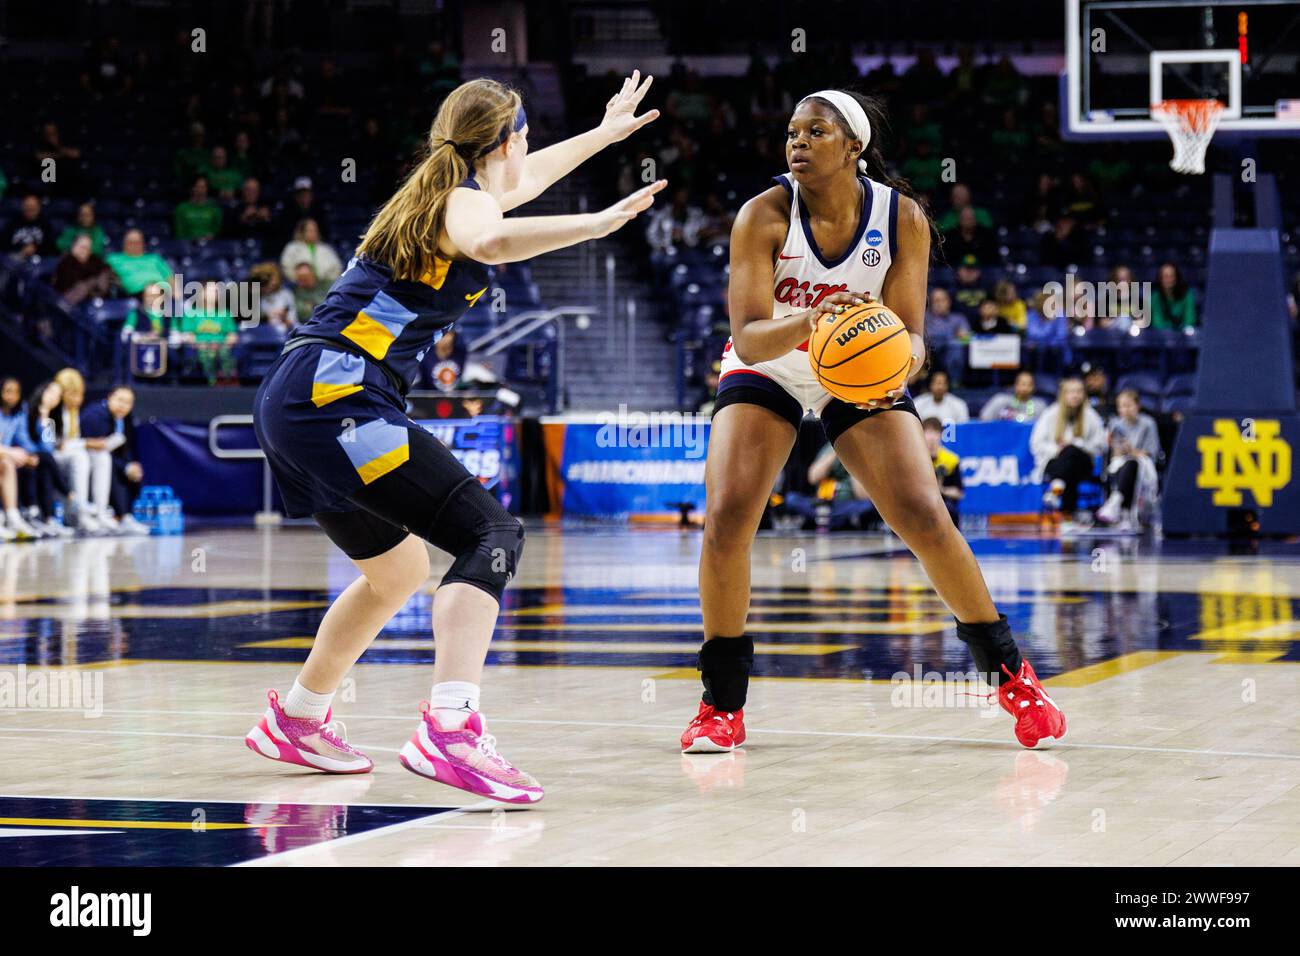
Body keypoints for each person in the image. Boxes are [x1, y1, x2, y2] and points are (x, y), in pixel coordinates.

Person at [246, 73, 665, 802]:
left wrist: (603, 135)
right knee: (491, 533)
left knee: (399, 572)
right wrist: (596, 224)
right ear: (504, 140)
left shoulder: (444, 190)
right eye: (522, 139)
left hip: (301, 395)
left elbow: (520, 185)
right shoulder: (464, 202)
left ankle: (300, 716)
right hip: (336, 396)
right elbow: (496, 237)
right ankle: (450, 729)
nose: (526, 155)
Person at [687, 88, 1066, 756]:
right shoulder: (762, 216)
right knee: (726, 520)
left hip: (858, 369)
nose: (797, 142)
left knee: (924, 515)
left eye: (816, 131)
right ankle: (721, 705)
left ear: (854, 147)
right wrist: (812, 319)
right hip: (774, 362)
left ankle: (1014, 678)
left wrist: (901, 365)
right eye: (791, 131)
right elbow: (746, 338)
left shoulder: (903, 219)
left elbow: (915, 338)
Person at [1031, 377, 1106, 533]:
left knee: (1071, 451)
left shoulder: (1091, 416)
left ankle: (1056, 489)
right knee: (1068, 465)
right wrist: (1056, 449)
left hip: (1083, 463)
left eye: (1079, 392)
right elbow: (1036, 443)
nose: (1075, 396)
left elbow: (1101, 445)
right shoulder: (1050, 413)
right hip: (1055, 462)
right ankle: (1067, 517)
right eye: (1071, 392)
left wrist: (1078, 444)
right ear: (1063, 394)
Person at [79, 385, 150, 534]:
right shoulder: (94, 415)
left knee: (133, 471)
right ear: (110, 397)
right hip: (87, 457)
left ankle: (125, 516)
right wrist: (124, 466)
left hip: (108, 457)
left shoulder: (126, 420)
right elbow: (92, 446)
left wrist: (130, 465)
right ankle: (102, 513)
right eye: (119, 400)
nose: (122, 406)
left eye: (128, 402)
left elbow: (125, 448)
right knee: (108, 463)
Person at [1096, 389, 1160, 533]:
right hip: (1120, 463)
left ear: (1137, 406)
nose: (1125, 410)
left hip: (1143, 465)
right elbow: (1113, 453)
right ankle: (1122, 512)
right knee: (1123, 465)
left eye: (1128, 405)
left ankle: (1117, 504)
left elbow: (1150, 452)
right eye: (1121, 406)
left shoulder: (1148, 423)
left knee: (1132, 464)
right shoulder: (1114, 424)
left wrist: (1131, 450)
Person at [0, 378, 43, 541]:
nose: (11, 396)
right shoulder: (35, 411)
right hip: (6, 454)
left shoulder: (52, 416)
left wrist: (30, 455)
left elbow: (47, 445)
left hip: (13, 454)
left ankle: (24, 516)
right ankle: (72, 503)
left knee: (44, 460)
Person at [922, 416, 963, 525]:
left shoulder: (951, 459)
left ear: (941, 435)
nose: (931, 437)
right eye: (928, 432)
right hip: (921, 502)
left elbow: (959, 492)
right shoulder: (916, 459)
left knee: (949, 510)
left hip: (944, 503)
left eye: (935, 432)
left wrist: (941, 490)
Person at [279, 218, 343, 285]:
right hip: (299, 285)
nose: (314, 233)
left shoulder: (326, 248)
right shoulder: (292, 248)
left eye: (315, 230)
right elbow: (286, 268)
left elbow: (337, 268)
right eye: (310, 230)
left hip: (325, 285)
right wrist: (300, 279)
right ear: (302, 232)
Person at [4, 193, 56, 260]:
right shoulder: (13, 223)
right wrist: (22, 248)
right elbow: (4, 245)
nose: (29, 210)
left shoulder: (45, 224)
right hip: (15, 257)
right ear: (22, 206)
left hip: (39, 259)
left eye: (33, 207)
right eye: (27, 207)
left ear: (39, 208)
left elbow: (51, 248)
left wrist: (35, 248)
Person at [174, 175, 223, 240]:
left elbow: (218, 230)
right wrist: (193, 239)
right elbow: (179, 232)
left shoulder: (214, 208)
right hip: (187, 246)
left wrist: (212, 235)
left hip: (209, 244)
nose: (200, 190)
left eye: (203, 187)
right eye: (197, 187)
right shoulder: (182, 208)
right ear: (192, 188)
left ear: (207, 189)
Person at [1151, 261, 1197, 330]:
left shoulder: (1187, 295)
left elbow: (1190, 319)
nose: (1168, 280)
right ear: (1160, 279)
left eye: (1171, 276)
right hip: (1161, 336)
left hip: (1183, 335)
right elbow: (1157, 322)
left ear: (1176, 278)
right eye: (1165, 276)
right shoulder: (1155, 296)